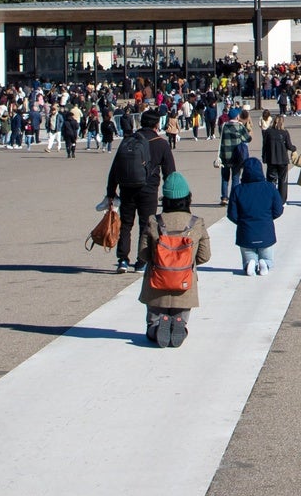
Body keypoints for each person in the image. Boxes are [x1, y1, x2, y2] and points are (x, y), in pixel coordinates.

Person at [104, 110, 177, 273]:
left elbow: (115, 168)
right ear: (157, 124)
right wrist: (169, 195)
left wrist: (111, 192)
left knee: (126, 224)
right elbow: (170, 173)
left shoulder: (129, 140)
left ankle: (122, 259)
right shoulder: (161, 143)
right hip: (149, 189)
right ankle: (141, 261)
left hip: (127, 188)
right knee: (146, 225)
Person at [143, 180, 210, 346]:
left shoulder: (153, 221)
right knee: (181, 315)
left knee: (153, 323)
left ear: (165, 199)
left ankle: (158, 328)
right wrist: (185, 261)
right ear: (188, 199)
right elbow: (205, 256)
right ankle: (179, 323)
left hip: (156, 283)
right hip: (184, 284)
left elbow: (143, 254)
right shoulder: (196, 222)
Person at [227, 158, 287, 275]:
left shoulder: (238, 189)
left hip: (245, 231)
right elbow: (278, 210)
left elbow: (232, 214)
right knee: (267, 257)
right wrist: (268, 218)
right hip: (266, 230)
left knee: (248, 254)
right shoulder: (270, 187)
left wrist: (241, 222)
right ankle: (264, 263)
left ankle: (250, 263)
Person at [218, 109, 252, 202]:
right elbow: (247, 139)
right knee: (235, 177)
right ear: (237, 116)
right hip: (236, 155)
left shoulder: (223, 126)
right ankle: (234, 197)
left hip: (224, 155)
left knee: (225, 177)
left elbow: (220, 135)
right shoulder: (240, 126)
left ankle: (224, 197)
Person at [259, 114, 293, 195]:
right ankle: (282, 199)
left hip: (271, 159)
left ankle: (271, 197)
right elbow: (289, 146)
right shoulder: (285, 132)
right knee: (283, 181)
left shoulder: (268, 132)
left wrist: (264, 156)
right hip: (283, 159)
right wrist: (294, 149)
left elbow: (264, 145)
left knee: (271, 180)